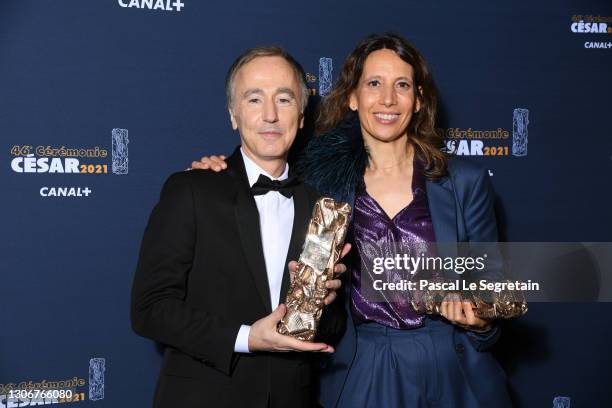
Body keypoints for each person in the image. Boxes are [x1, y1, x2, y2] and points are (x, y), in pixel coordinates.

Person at [193, 34, 512, 407]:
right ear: (352, 96)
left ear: (419, 98)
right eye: (374, 84)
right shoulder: (315, 183)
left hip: (452, 365)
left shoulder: (463, 182)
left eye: (402, 85)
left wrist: (482, 321)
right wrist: (215, 172)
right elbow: (255, 182)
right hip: (363, 365)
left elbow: (494, 290)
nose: (388, 99)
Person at [131, 46, 349, 408]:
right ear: (233, 114)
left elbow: (332, 326)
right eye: (253, 99)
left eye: (284, 99)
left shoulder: (320, 208)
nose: (270, 115)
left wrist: (324, 304)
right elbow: (149, 309)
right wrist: (246, 337)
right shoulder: (191, 188)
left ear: (302, 114)